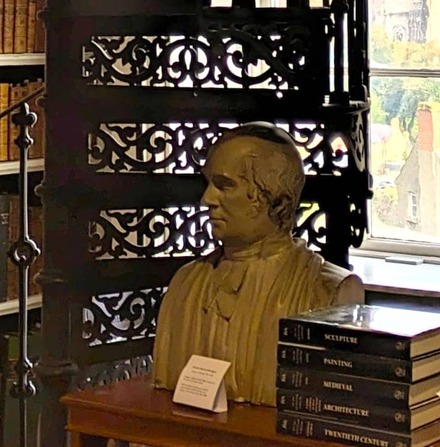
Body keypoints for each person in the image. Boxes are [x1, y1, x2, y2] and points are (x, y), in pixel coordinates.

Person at [151, 122, 364, 407]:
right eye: (209, 184)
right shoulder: (185, 284)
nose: (206, 200)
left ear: (273, 198)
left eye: (225, 185)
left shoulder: (326, 291)